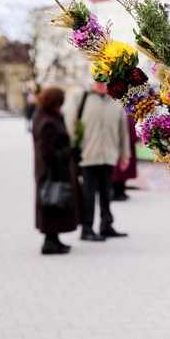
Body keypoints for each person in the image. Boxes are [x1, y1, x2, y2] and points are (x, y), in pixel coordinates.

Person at [65, 81, 131, 241]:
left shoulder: (115, 100)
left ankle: (106, 225)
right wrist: (72, 151)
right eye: (98, 81)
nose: (101, 84)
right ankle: (87, 229)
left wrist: (124, 154)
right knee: (88, 195)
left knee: (106, 193)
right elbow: (69, 124)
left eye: (104, 81)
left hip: (108, 155)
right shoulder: (80, 98)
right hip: (87, 156)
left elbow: (123, 130)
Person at [32, 86, 85, 254]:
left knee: (53, 202)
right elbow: (47, 152)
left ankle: (53, 239)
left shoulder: (43, 116)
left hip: (50, 170)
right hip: (53, 171)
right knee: (53, 201)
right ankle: (49, 242)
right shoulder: (48, 121)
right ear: (55, 103)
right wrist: (70, 152)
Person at [112, 115, 138, 201]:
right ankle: (116, 192)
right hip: (119, 144)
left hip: (127, 144)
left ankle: (121, 191)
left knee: (123, 171)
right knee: (118, 171)